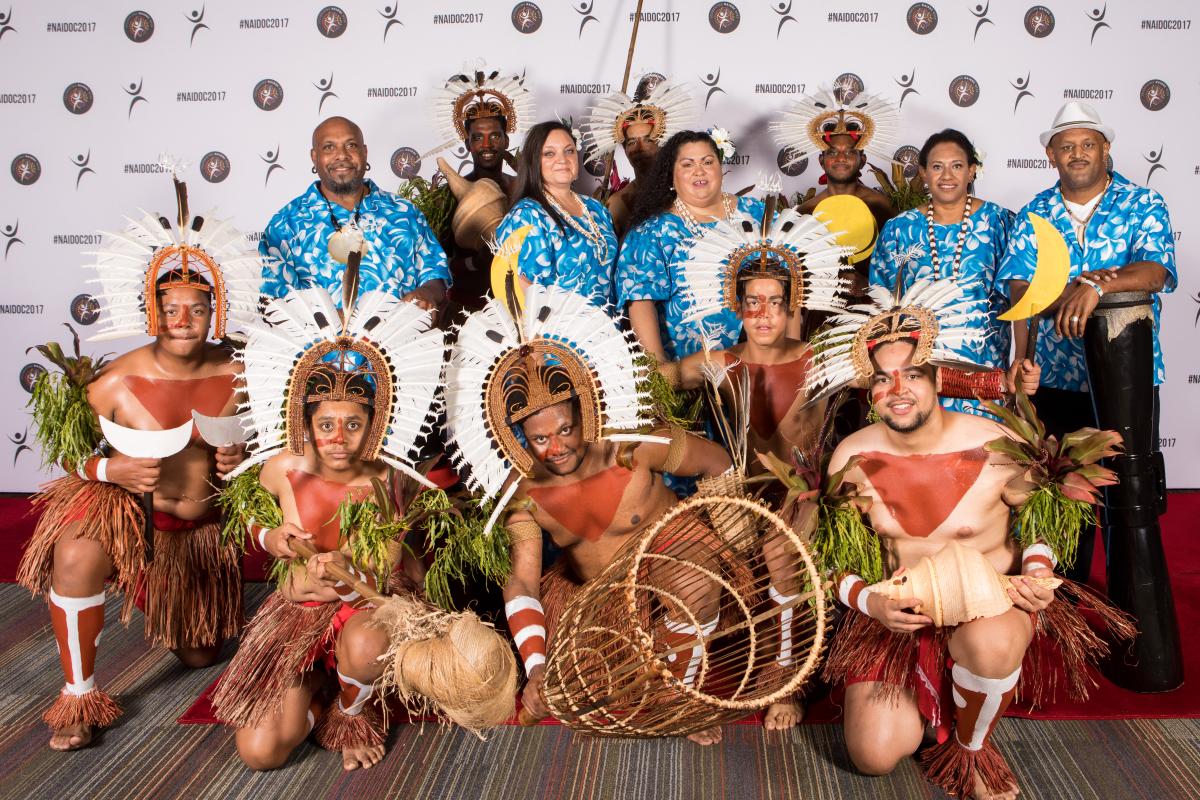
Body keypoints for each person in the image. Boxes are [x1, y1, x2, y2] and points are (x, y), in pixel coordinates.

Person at [805, 280, 1127, 800]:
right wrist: (871, 603)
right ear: (870, 390)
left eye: (912, 374)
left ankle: (970, 748)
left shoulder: (994, 444)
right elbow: (831, 561)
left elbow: (1039, 521)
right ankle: (929, 703)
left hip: (986, 610)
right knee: (874, 757)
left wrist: (1040, 572)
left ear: (938, 379)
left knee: (991, 642)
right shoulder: (852, 456)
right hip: (897, 620)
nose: (899, 390)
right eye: (884, 379)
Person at [444, 283, 752, 745]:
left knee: (691, 583)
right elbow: (524, 580)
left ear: (583, 412)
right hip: (600, 591)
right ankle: (639, 667)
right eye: (540, 439)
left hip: (672, 549)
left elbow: (717, 463)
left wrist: (730, 536)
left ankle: (677, 698)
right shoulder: (525, 493)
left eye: (565, 429)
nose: (557, 447)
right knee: (590, 697)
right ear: (522, 438)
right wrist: (538, 666)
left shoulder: (631, 444)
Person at [17, 175, 258, 751]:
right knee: (76, 552)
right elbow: (69, 452)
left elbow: (275, 452)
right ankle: (78, 695)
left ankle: (148, 586)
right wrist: (113, 472)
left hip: (195, 536)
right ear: (151, 311)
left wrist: (241, 457)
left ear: (215, 312)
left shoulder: (240, 375)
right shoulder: (114, 378)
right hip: (129, 514)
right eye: (169, 308)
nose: (182, 319)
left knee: (201, 657)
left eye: (196, 309)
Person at [211, 287, 446, 771]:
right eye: (327, 425)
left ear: (375, 423)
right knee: (261, 753)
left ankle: (348, 709)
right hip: (300, 613)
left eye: (353, 425)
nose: (339, 439)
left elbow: (379, 581)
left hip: (365, 608)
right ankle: (317, 694)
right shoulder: (279, 468)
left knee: (364, 643)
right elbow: (248, 513)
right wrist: (269, 538)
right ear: (306, 424)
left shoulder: (387, 480)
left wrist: (332, 573)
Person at [997, 100, 1181, 685]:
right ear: (1050, 155)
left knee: (1127, 489)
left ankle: (1132, 615)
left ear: (1106, 151)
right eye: (1066, 146)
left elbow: (1156, 272)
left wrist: (1097, 285)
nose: (1077, 154)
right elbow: (1019, 284)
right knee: (1061, 493)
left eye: (1088, 145)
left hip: (1125, 376)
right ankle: (1065, 609)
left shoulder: (1141, 201)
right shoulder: (1036, 212)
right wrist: (1024, 352)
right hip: (1055, 375)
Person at [660, 204, 849, 729]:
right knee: (691, 552)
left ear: (793, 306)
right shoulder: (718, 362)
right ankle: (685, 682)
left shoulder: (822, 357)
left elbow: (900, 371)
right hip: (736, 501)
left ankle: (788, 674)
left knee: (782, 540)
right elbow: (655, 380)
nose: (764, 315)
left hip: (806, 497)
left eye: (775, 303)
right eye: (752, 303)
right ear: (736, 306)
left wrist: (993, 384)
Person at [872, 128, 1026, 418]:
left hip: (986, 373)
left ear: (972, 171)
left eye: (957, 166)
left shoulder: (1001, 222)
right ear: (924, 173)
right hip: (918, 372)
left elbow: (1020, 297)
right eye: (937, 167)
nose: (947, 176)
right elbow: (882, 307)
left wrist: (1021, 360)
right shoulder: (899, 229)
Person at [260, 116, 450, 314]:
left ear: (364, 152)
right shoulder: (285, 224)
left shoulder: (404, 212)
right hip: (322, 343)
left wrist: (426, 294)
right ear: (314, 157)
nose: (341, 155)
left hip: (401, 339)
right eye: (329, 147)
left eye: (351, 145)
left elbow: (434, 276)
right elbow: (273, 302)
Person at [619, 130, 764, 364]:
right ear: (672, 177)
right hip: (690, 370)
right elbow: (640, 301)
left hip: (761, 360)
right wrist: (660, 371)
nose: (699, 171)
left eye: (708, 162)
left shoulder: (758, 214)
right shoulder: (651, 233)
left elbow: (792, 275)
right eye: (688, 165)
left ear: (720, 168)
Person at [427, 67, 534, 311]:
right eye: (478, 137)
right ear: (467, 143)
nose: (487, 144)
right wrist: (477, 262)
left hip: (521, 304)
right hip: (468, 307)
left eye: (495, 136)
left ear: (506, 140)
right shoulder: (446, 199)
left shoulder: (523, 188)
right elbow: (438, 264)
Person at [493, 120, 618, 308]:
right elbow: (517, 289)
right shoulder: (527, 215)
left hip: (608, 330)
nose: (562, 160)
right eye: (549, 153)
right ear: (534, 162)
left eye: (569, 151)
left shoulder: (596, 209)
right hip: (557, 333)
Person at [580, 75, 697, 239]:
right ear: (624, 149)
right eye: (632, 142)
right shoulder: (617, 204)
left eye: (648, 140)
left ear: (663, 144)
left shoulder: (687, 190)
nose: (640, 149)